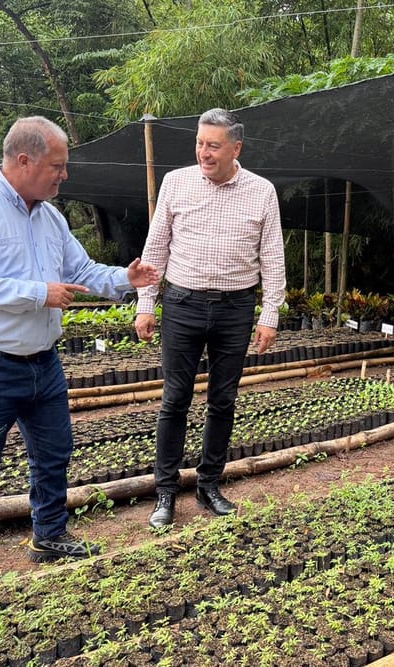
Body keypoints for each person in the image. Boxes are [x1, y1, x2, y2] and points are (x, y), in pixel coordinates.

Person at [0, 116, 159, 587]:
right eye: (57, 165)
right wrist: (39, 293)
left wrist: (125, 278)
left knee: (54, 453)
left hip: (43, 362)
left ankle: (49, 536)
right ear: (24, 161)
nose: (64, 174)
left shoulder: (51, 218)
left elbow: (82, 270)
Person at [135, 108, 286, 528]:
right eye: (200, 143)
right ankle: (165, 491)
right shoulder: (175, 183)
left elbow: (273, 256)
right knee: (175, 399)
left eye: (213, 146)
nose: (204, 152)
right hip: (182, 304)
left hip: (235, 308)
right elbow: (156, 247)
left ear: (236, 148)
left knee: (223, 400)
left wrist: (270, 313)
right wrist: (146, 303)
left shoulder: (261, 191)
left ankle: (208, 485)